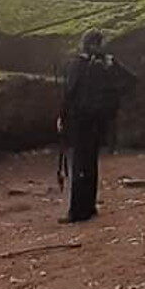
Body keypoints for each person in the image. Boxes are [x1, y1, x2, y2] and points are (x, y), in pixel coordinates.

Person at [57, 29, 137, 222]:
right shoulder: (104, 67)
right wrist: (114, 65)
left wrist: (62, 116)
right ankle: (89, 206)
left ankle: (77, 211)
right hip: (98, 121)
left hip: (80, 120)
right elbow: (131, 80)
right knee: (90, 163)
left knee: (79, 164)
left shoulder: (77, 65)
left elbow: (70, 93)